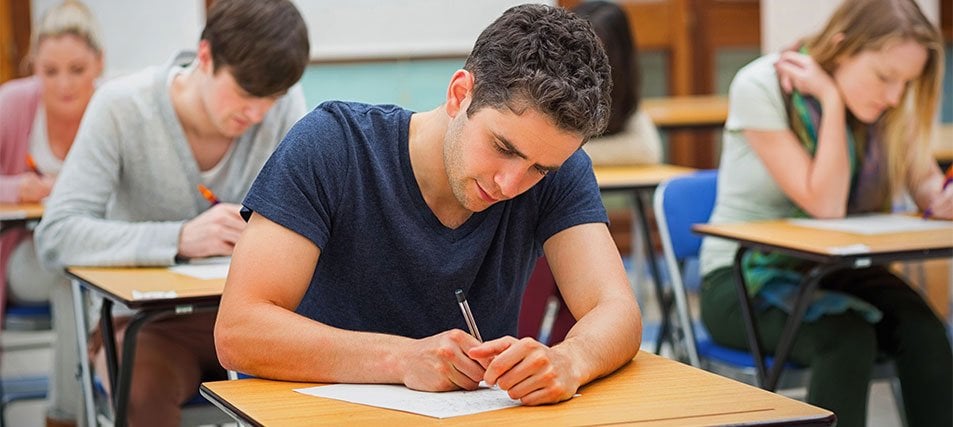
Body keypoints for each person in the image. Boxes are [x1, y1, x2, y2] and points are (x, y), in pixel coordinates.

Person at [214, 4, 642, 405]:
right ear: (460, 94)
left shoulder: (559, 171)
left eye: (539, 169)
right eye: (502, 147)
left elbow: (617, 310)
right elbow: (239, 330)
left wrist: (571, 359)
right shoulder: (333, 145)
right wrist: (400, 359)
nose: (511, 183)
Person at [34, 0, 309, 425]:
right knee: (142, 390)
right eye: (244, 94)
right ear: (205, 57)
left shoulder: (285, 104)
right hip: (145, 325)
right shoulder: (122, 107)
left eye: (269, 100)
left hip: (254, 322)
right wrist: (177, 239)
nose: (256, 114)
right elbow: (56, 235)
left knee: (319, 391)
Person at [698, 0, 951, 426]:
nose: (894, 95)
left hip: (835, 269)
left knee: (923, 330)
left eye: (906, 83)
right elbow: (826, 205)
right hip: (742, 281)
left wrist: (942, 197)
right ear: (841, 47)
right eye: (885, 77)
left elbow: (925, 184)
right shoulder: (761, 85)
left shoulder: (889, 103)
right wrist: (831, 101)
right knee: (846, 339)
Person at [0, 1, 102, 425]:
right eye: (50, 71)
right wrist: (15, 187)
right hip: (26, 257)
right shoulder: (11, 104)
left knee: (83, 276)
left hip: (100, 252)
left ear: (99, 64)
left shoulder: (112, 109)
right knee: (69, 275)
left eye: (77, 70)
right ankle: (65, 417)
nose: (64, 84)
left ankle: (110, 392)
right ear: (33, 66)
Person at [574, 0, 661, 166]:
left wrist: (564, 154)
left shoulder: (619, 91)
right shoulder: (550, 84)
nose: (586, 62)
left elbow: (647, 150)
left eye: (598, 52)